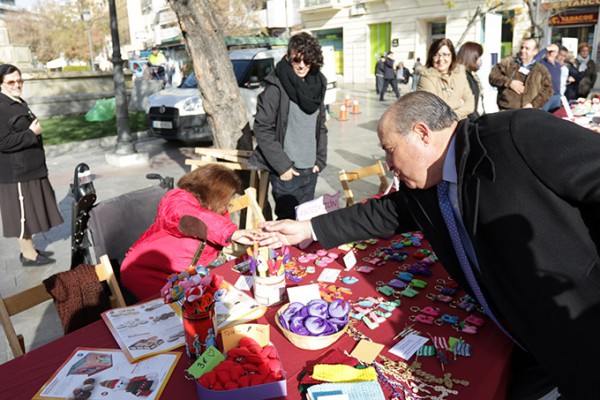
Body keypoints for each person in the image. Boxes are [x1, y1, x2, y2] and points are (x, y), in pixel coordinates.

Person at [259, 90, 600, 400]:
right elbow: (387, 211)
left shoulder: (514, 134)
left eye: (389, 150)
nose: (389, 165)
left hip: (582, 319)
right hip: (524, 335)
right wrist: (308, 228)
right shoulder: (425, 186)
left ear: (422, 133)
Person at [120, 164, 260, 300]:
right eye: (228, 199)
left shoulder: (215, 208)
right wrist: (232, 233)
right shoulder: (176, 200)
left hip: (186, 274)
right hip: (148, 273)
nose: (229, 204)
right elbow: (194, 217)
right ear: (215, 194)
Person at [249, 32, 328, 220]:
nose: (301, 65)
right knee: (286, 226)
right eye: (296, 59)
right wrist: (283, 167)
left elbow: (321, 126)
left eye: (307, 60)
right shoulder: (275, 87)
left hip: (311, 170)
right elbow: (262, 128)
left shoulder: (318, 85)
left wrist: (320, 160)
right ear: (288, 57)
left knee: (305, 227)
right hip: (287, 173)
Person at [0, 64, 63, 266]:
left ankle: (31, 250)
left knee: (28, 211)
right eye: (11, 82)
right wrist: (30, 134)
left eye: (19, 81)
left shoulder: (16, 101)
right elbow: (2, 142)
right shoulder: (1, 106)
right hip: (16, 173)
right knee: (22, 215)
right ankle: (28, 255)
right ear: (1, 84)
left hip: (29, 168)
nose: (17, 85)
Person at [489, 38, 553, 110]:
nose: (523, 50)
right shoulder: (508, 63)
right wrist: (509, 82)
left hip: (529, 112)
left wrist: (533, 104)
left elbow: (548, 90)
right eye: (522, 47)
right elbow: (493, 77)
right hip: (507, 110)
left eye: (527, 48)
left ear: (535, 51)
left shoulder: (541, 69)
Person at [418, 38, 474, 120]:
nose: (441, 59)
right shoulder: (426, 77)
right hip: (438, 127)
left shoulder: (460, 74)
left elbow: (470, 105)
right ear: (431, 57)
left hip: (461, 125)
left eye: (445, 54)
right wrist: (459, 103)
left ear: (452, 56)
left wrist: (453, 115)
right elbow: (432, 108)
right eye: (436, 55)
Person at [457, 41, 485, 120]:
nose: (480, 60)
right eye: (479, 57)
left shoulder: (471, 76)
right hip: (468, 121)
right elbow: (469, 105)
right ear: (472, 57)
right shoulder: (463, 77)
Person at [533, 43, 562, 112]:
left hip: (557, 95)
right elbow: (534, 60)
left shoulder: (557, 65)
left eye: (553, 51)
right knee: (542, 116)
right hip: (546, 95)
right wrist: (545, 49)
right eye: (549, 51)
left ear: (556, 53)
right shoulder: (542, 62)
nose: (550, 53)